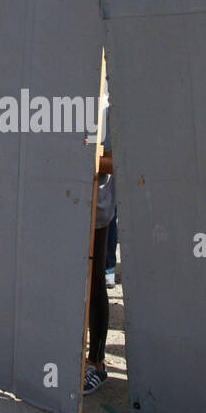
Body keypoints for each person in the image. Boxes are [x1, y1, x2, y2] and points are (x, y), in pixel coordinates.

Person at [84, 104, 115, 395]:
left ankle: (97, 365)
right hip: (62, 205)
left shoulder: (110, 107)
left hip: (95, 213)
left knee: (94, 288)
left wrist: (86, 156)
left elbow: (119, 162)